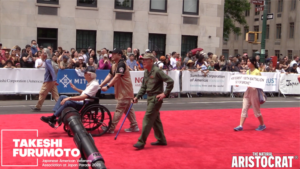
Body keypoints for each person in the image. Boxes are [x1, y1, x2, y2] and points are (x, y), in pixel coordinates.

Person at [132, 53, 174, 150]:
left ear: (151, 61)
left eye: (146, 60)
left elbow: (170, 81)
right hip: (150, 98)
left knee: (148, 118)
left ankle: (141, 141)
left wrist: (165, 94)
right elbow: (143, 86)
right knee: (155, 120)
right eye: (143, 60)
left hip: (156, 98)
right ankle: (161, 139)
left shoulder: (157, 71)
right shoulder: (146, 72)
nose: (143, 62)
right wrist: (137, 96)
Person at [100, 48, 139, 134]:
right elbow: (110, 75)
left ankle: (111, 128)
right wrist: (101, 85)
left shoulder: (121, 64)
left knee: (119, 109)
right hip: (123, 91)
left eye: (114, 54)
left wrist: (108, 86)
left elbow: (117, 76)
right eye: (112, 53)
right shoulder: (115, 65)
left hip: (125, 91)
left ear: (120, 55)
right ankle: (134, 125)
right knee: (128, 108)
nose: (112, 55)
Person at [234, 57, 266, 131]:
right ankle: (240, 125)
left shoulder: (257, 72)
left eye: (249, 61)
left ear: (253, 62)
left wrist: (252, 85)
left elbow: (260, 83)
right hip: (248, 91)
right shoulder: (248, 71)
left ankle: (262, 124)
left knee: (256, 110)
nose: (247, 63)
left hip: (255, 92)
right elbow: (245, 81)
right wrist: (238, 83)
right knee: (244, 108)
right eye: (247, 61)